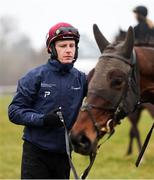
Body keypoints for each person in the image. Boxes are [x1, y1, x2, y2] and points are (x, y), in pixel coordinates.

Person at [8, 22, 87, 179]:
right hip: (36, 152)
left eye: (72, 45)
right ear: (51, 49)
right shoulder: (34, 76)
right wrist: (43, 119)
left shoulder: (82, 79)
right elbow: (14, 111)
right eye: (63, 45)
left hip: (64, 154)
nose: (68, 50)